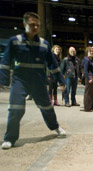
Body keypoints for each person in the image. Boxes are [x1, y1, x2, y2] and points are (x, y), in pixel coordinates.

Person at [0, 12, 66, 149]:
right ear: (25, 24)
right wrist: (2, 81)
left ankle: (56, 127)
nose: (35, 27)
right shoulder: (15, 41)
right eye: (32, 25)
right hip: (20, 81)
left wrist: (61, 81)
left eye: (37, 25)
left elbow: (53, 64)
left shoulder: (44, 44)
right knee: (15, 108)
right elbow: (5, 62)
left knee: (47, 107)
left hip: (38, 81)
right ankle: (10, 138)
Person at [82, 46, 93, 112]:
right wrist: (88, 78)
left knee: (91, 93)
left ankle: (90, 106)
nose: (92, 52)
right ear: (87, 52)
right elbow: (85, 70)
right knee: (88, 93)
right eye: (90, 51)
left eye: (92, 51)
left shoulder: (92, 60)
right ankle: (87, 108)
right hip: (89, 77)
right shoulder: (86, 59)